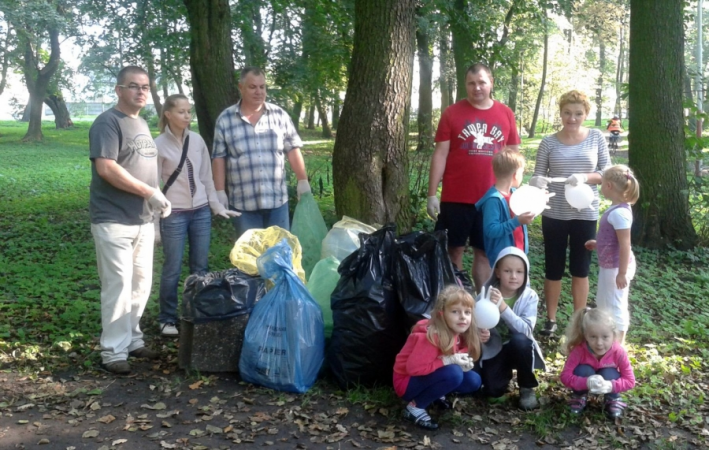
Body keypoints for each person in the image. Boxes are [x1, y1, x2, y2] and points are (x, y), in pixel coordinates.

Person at [89, 66, 171, 375]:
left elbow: (144, 167)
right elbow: (107, 168)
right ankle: (112, 351)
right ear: (118, 90)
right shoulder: (107, 123)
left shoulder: (142, 124)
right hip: (113, 220)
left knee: (141, 285)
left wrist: (156, 200)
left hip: (143, 220)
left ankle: (132, 340)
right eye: (133, 86)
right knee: (118, 286)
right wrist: (150, 192)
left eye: (145, 87)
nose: (141, 91)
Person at [427, 63, 521, 292]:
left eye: (481, 82)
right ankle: (454, 302)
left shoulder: (505, 113)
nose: (477, 87)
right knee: (454, 250)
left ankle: (484, 303)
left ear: (491, 83)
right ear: (465, 85)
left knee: (486, 251)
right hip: (456, 196)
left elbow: (514, 155)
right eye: (471, 83)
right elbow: (440, 153)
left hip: (493, 197)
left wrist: (514, 190)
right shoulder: (452, 113)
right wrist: (432, 194)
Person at [154, 94, 240, 337]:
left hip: (200, 211)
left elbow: (206, 178)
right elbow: (153, 186)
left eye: (189, 111)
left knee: (200, 268)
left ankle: (197, 313)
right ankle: (167, 318)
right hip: (174, 213)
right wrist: (154, 222)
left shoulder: (197, 140)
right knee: (172, 267)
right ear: (168, 114)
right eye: (181, 112)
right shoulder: (158, 144)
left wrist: (215, 206)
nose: (187, 116)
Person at [530, 90, 611, 335]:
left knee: (580, 267)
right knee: (553, 267)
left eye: (577, 113)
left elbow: (607, 174)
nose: (572, 118)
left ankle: (579, 321)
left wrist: (585, 177)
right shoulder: (549, 142)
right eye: (567, 112)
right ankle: (551, 320)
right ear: (561, 112)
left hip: (585, 214)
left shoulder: (596, 137)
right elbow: (537, 174)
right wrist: (537, 182)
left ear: (585, 114)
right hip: (554, 213)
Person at [212, 66, 310, 238]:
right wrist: (219, 191)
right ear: (241, 87)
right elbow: (219, 158)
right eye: (252, 87)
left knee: (280, 255)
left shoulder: (279, 115)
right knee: (250, 260)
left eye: (262, 87)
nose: (259, 92)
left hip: (277, 201)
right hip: (243, 204)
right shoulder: (225, 119)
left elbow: (293, 148)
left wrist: (302, 179)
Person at [393, 286, 483, 430]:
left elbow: (455, 354)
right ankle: (415, 407)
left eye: (467, 312)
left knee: (473, 380)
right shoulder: (432, 335)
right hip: (407, 382)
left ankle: (435, 394)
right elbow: (414, 369)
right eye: (455, 312)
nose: (462, 317)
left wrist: (462, 362)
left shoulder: (459, 333)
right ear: (442, 314)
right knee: (454, 373)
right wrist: (449, 361)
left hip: (428, 375)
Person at [475, 247, 546, 411]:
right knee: (492, 391)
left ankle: (526, 386)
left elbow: (526, 330)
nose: (514, 276)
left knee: (520, 340)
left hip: (519, 348)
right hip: (494, 350)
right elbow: (473, 323)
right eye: (508, 271)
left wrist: (503, 307)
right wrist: (479, 333)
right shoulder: (485, 295)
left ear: (525, 274)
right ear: (498, 272)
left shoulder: (530, 296)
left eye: (519, 272)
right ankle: (502, 376)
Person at [584, 165, 640, 344]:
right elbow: (615, 239)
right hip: (610, 265)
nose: (600, 186)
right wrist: (599, 244)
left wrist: (622, 273)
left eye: (601, 183)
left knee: (615, 304)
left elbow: (625, 245)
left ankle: (618, 344)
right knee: (604, 301)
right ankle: (609, 338)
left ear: (608, 186)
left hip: (616, 268)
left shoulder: (620, 213)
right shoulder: (617, 209)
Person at [560, 308, 635, 419]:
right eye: (593, 337)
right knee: (583, 369)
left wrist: (610, 386)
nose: (599, 343)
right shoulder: (579, 350)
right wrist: (586, 383)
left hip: (608, 380)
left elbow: (630, 381)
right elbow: (565, 377)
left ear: (613, 335)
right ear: (585, 336)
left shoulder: (618, 352)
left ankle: (612, 398)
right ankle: (579, 396)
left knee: (610, 372)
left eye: (605, 337)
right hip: (586, 377)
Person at [475, 149, 533, 265]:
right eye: (522, 173)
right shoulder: (493, 200)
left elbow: (526, 211)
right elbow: (491, 230)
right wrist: (516, 222)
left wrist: (539, 199)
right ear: (515, 175)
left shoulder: (514, 193)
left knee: (522, 283)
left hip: (518, 254)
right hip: (502, 260)